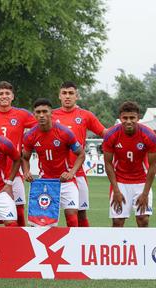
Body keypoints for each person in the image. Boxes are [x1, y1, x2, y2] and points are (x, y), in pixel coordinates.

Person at [0, 81, 36, 226]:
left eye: (7, 93)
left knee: (18, 212)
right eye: (0, 94)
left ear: (12, 96)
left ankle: (22, 244)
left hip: (14, 171)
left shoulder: (22, 114)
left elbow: (42, 124)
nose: (4, 96)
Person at [22, 98, 85, 227]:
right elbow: (25, 157)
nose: (41, 115)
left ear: (51, 113)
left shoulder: (64, 132)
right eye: (38, 112)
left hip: (66, 182)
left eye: (45, 111)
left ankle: (72, 246)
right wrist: (26, 171)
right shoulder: (30, 135)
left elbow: (81, 154)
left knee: (73, 218)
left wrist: (71, 173)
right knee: (40, 224)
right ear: (34, 114)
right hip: (45, 182)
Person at [52, 81, 106, 227]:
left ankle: (82, 245)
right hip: (54, 173)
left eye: (71, 93)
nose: (67, 96)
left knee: (81, 213)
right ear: (59, 96)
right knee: (49, 213)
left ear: (77, 96)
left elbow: (104, 133)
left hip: (78, 172)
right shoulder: (51, 115)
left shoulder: (85, 115)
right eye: (64, 93)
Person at [103, 101, 156, 227]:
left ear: (138, 117)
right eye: (125, 118)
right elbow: (108, 163)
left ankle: (143, 247)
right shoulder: (111, 134)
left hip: (141, 182)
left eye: (132, 118)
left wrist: (145, 193)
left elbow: (153, 166)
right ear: (120, 118)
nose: (128, 121)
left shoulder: (149, 135)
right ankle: (117, 246)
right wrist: (116, 190)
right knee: (117, 222)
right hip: (120, 182)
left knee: (143, 219)